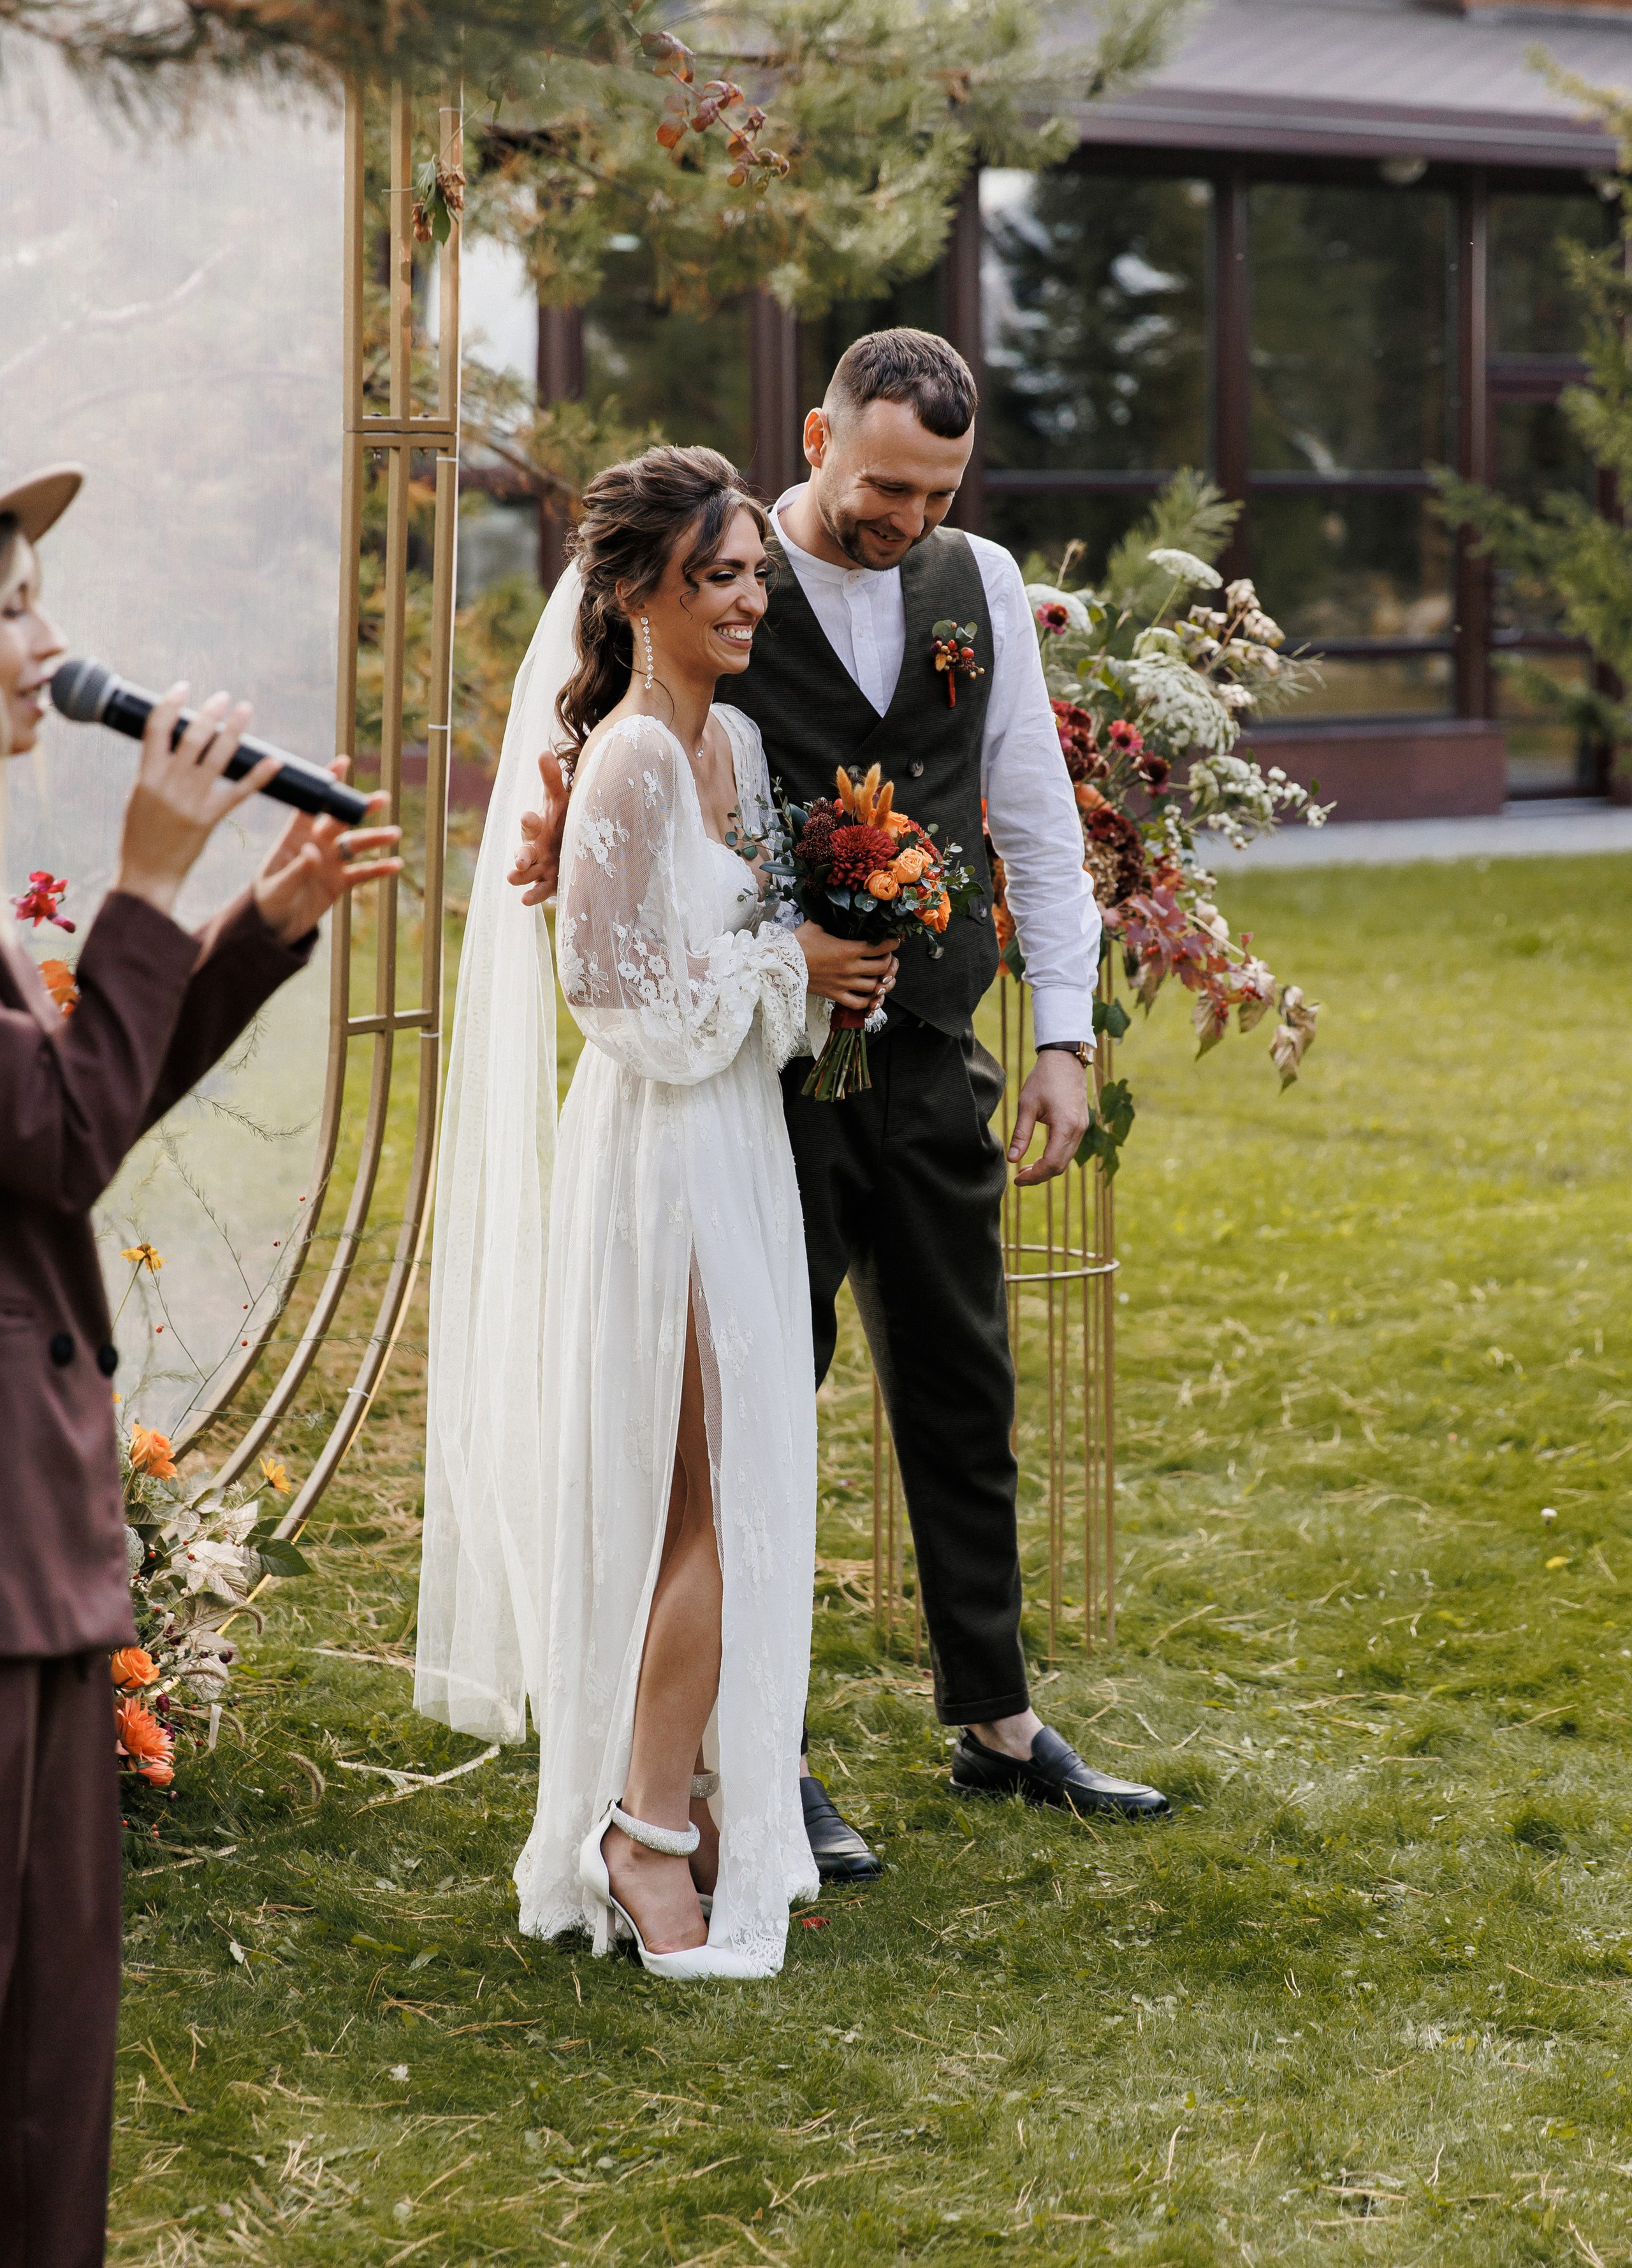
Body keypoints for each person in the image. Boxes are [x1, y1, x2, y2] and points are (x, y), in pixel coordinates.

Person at [509, 333, 1169, 1878]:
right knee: (751, 1416)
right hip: (763, 1080)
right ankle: (760, 1752)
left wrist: (1062, 1038)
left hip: (931, 1048)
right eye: (882, 483)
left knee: (962, 1382)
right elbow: (616, 761)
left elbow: (1027, 816)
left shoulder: (980, 583)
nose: (905, 515)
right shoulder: (721, 580)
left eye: (938, 489)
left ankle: (998, 1719)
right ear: (815, 436)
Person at [417, 447, 891, 1978]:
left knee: (737, 1486)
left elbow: (740, 956)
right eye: (719, 575)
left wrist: (825, 976)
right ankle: (639, 1833)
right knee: (704, 1501)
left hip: (738, 1140)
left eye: (756, 569)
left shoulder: (740, 752)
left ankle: (670, 1789)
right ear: (633, 594)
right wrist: (790, 974)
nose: (751, 596)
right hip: (656, 1153)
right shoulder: (619, 761)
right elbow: (615, 1001)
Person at [0, 460, 400, 2267]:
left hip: (36, 1563)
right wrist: (153, 875)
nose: (52, 644)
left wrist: (250, 927)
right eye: (11, 609)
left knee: (50, 2062)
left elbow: (64, 1119)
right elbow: (64, 1147)